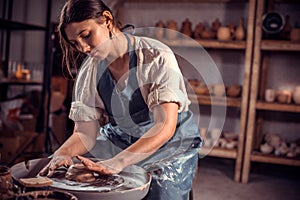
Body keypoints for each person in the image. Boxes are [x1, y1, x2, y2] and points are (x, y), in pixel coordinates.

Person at [40, 0, 202, 199]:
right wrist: (63, 153)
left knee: (159, 186)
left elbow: (164, 126)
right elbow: (85, 133)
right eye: (75, 43)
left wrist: (116, 162)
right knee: (58, 174)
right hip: (121, 137)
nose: (83, 48)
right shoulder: (90, 71)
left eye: (86, 35)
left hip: (169, 142)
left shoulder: (154, 55)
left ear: (107, 20)